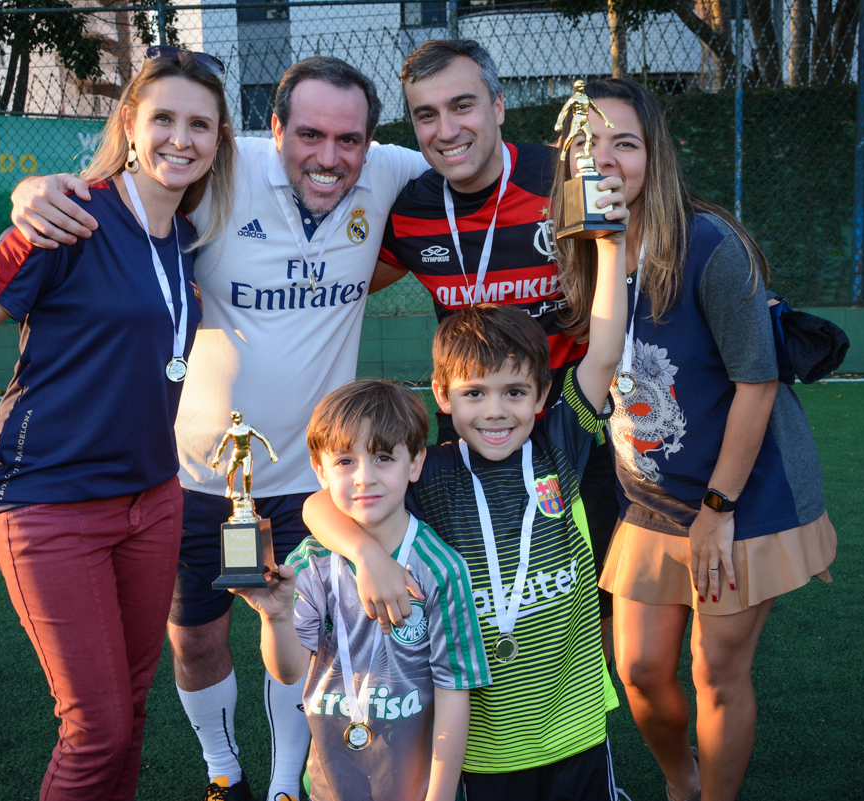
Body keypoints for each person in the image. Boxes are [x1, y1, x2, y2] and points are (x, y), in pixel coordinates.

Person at [8, 56, 429, 801]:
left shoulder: (390, 171)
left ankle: (283, 783)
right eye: (309, 134)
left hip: (317, 479)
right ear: (273, 131)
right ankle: (223, 769)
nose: (329, 156)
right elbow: (121, 199)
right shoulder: (219, 176)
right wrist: (34, 188)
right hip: (197, 473)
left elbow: (474, 151)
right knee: (196, 635)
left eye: (349, 139)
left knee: (307, 637)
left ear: (371, 140)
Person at [0, 48, 231, 801]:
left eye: (200, 124)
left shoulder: (185, 235)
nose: (180, 138)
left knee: (129, 712)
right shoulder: (67, 214)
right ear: (130, 123)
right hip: (49, 504)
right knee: (94, 727)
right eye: (163, 118)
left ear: (219, 141)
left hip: (154, 501)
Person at [551, 77, 838, 801]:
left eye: (627, 142)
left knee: (716, 669)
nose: (608, 159)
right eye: (591, 143)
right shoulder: (586, 242)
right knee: (642, 669)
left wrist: (718, 507)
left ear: (656, 154)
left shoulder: (710, 243)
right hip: (651, 497)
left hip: (741, 493)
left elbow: (758, 381)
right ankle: (684, 780)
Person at [303, 174, 630, 800]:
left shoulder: (561, 442)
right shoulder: (431, 471)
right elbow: (320, 504)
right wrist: (368, 554)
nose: (496, 411)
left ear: (540, 398)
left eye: (514, 392)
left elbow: (605, 352)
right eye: (475, 394)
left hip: (574, 719)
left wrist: (608, 243)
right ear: (444, 398)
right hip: (477, 742)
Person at [369, 39, 621, 663]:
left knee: (600, 592)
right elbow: (339, 284)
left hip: (574, 413)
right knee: (486, 587)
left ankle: (592, 720)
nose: (446, 130)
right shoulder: (410, 212)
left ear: (499, 105)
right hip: (476, 420)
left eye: (463, 106)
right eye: (426, 115)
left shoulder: (564, 176)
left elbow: (656, 236)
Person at [235, 379, 491, 801]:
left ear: (414, 463)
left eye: (383, 458)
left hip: (418, 788)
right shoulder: (308, 563)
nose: (364, 478)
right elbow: (288, 671)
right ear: (320, 469)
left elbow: (453, 690)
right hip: (329, 785)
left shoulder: (441, 568)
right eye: (345, 462)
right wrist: (275, 617)